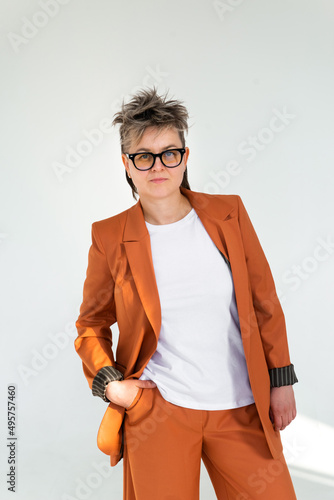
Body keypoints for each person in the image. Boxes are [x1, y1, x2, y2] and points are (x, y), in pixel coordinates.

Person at [74, 87, 298, 500]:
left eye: (169, 153)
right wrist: (110, 385)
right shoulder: (109, 236)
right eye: (144, 155)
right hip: (159, 411)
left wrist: (281, 379)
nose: (157, 166)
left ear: (185, 157)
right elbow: (91, 324)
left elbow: (264, 301)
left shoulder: (228, 214)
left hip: (241, 405)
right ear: (127, 164)